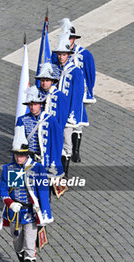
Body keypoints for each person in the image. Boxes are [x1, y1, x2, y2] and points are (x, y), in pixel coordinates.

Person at [0, 134, 53, 262]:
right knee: (17, 242)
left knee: (30, 246)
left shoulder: (37, 169)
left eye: (22, 154)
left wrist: (44, 214)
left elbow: (43, 192)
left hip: (30, 213)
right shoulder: (9, 168)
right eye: (17, 154)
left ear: (27, 154)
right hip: (15, 214)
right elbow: (3, 190)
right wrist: (10, 203)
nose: (19, 157)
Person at [52, 18, 96, 163]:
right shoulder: (58, 53)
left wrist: (88, 90)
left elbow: (90, 74)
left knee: (77, 121)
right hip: (62, 94)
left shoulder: (84, 54)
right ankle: (66, 149)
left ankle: (75, 150)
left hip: (80, 93)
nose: (69, 40)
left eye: (70, 37)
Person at [15, 85, 64, 196]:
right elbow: (17, 144)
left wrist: (54, 162)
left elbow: (57, 143)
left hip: (44, 159)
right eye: (31, 105)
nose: (33, 107)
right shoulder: (22, 120)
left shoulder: (51, 120)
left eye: (35, 104)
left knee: (44, 188)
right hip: (29, 159)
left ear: (41, 105)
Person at [52, 32, 88, 176]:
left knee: (66, 143)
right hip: (54, 111)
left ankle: (64, 175)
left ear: (69, 55)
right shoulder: (53, 69)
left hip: (66, 113)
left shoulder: (75, 72)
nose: (61, 57)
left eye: (64, 54)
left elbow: (77, 96)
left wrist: (72, 114)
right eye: (59, 54)